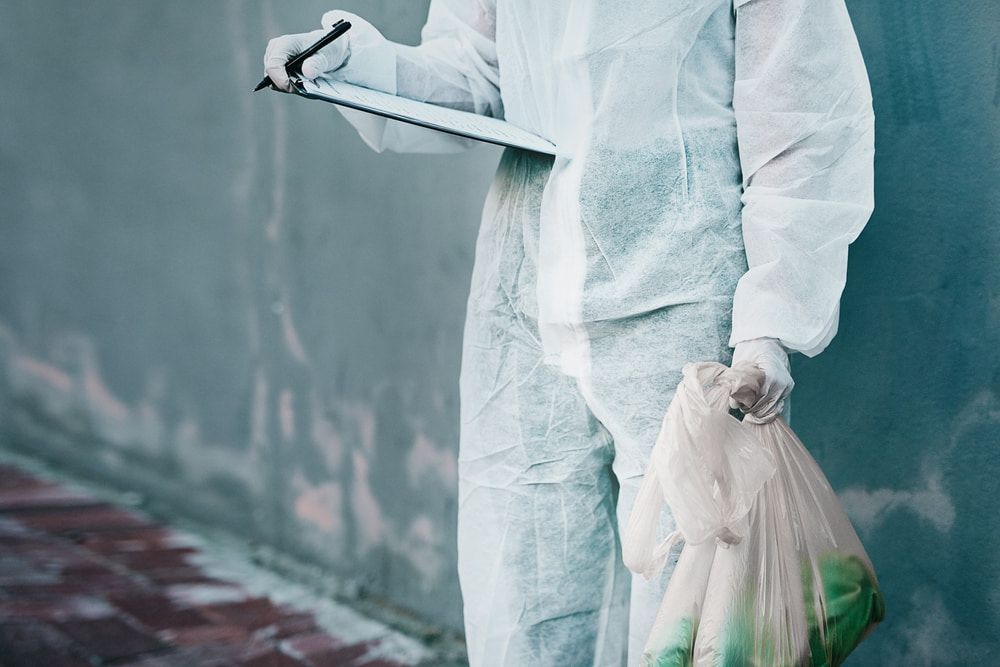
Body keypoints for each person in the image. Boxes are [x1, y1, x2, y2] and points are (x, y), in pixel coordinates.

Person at [263, 1, 874, 664]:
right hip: (525, 299)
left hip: (683, 302)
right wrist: (350, 64)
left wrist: (769, 323)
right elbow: (471, 70)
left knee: (690, 605)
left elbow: (802, 122)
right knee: (523, 590)